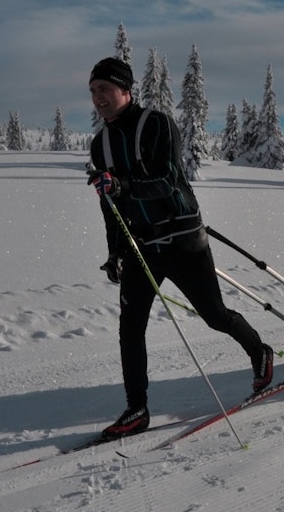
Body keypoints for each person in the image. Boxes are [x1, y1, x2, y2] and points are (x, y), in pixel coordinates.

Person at [87, 57, 273, 440]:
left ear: (126, 90)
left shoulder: (155, 124)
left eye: (104, 89)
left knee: (214, 315)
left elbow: (167, 179)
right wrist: (114, 252)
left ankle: (260, 353)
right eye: (92, 91)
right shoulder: (99, 143)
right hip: (141, 245)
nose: (98, 98)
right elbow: (111, 205)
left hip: (183, 238)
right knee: (130, 327)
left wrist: (122, 185)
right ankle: (136, 409)